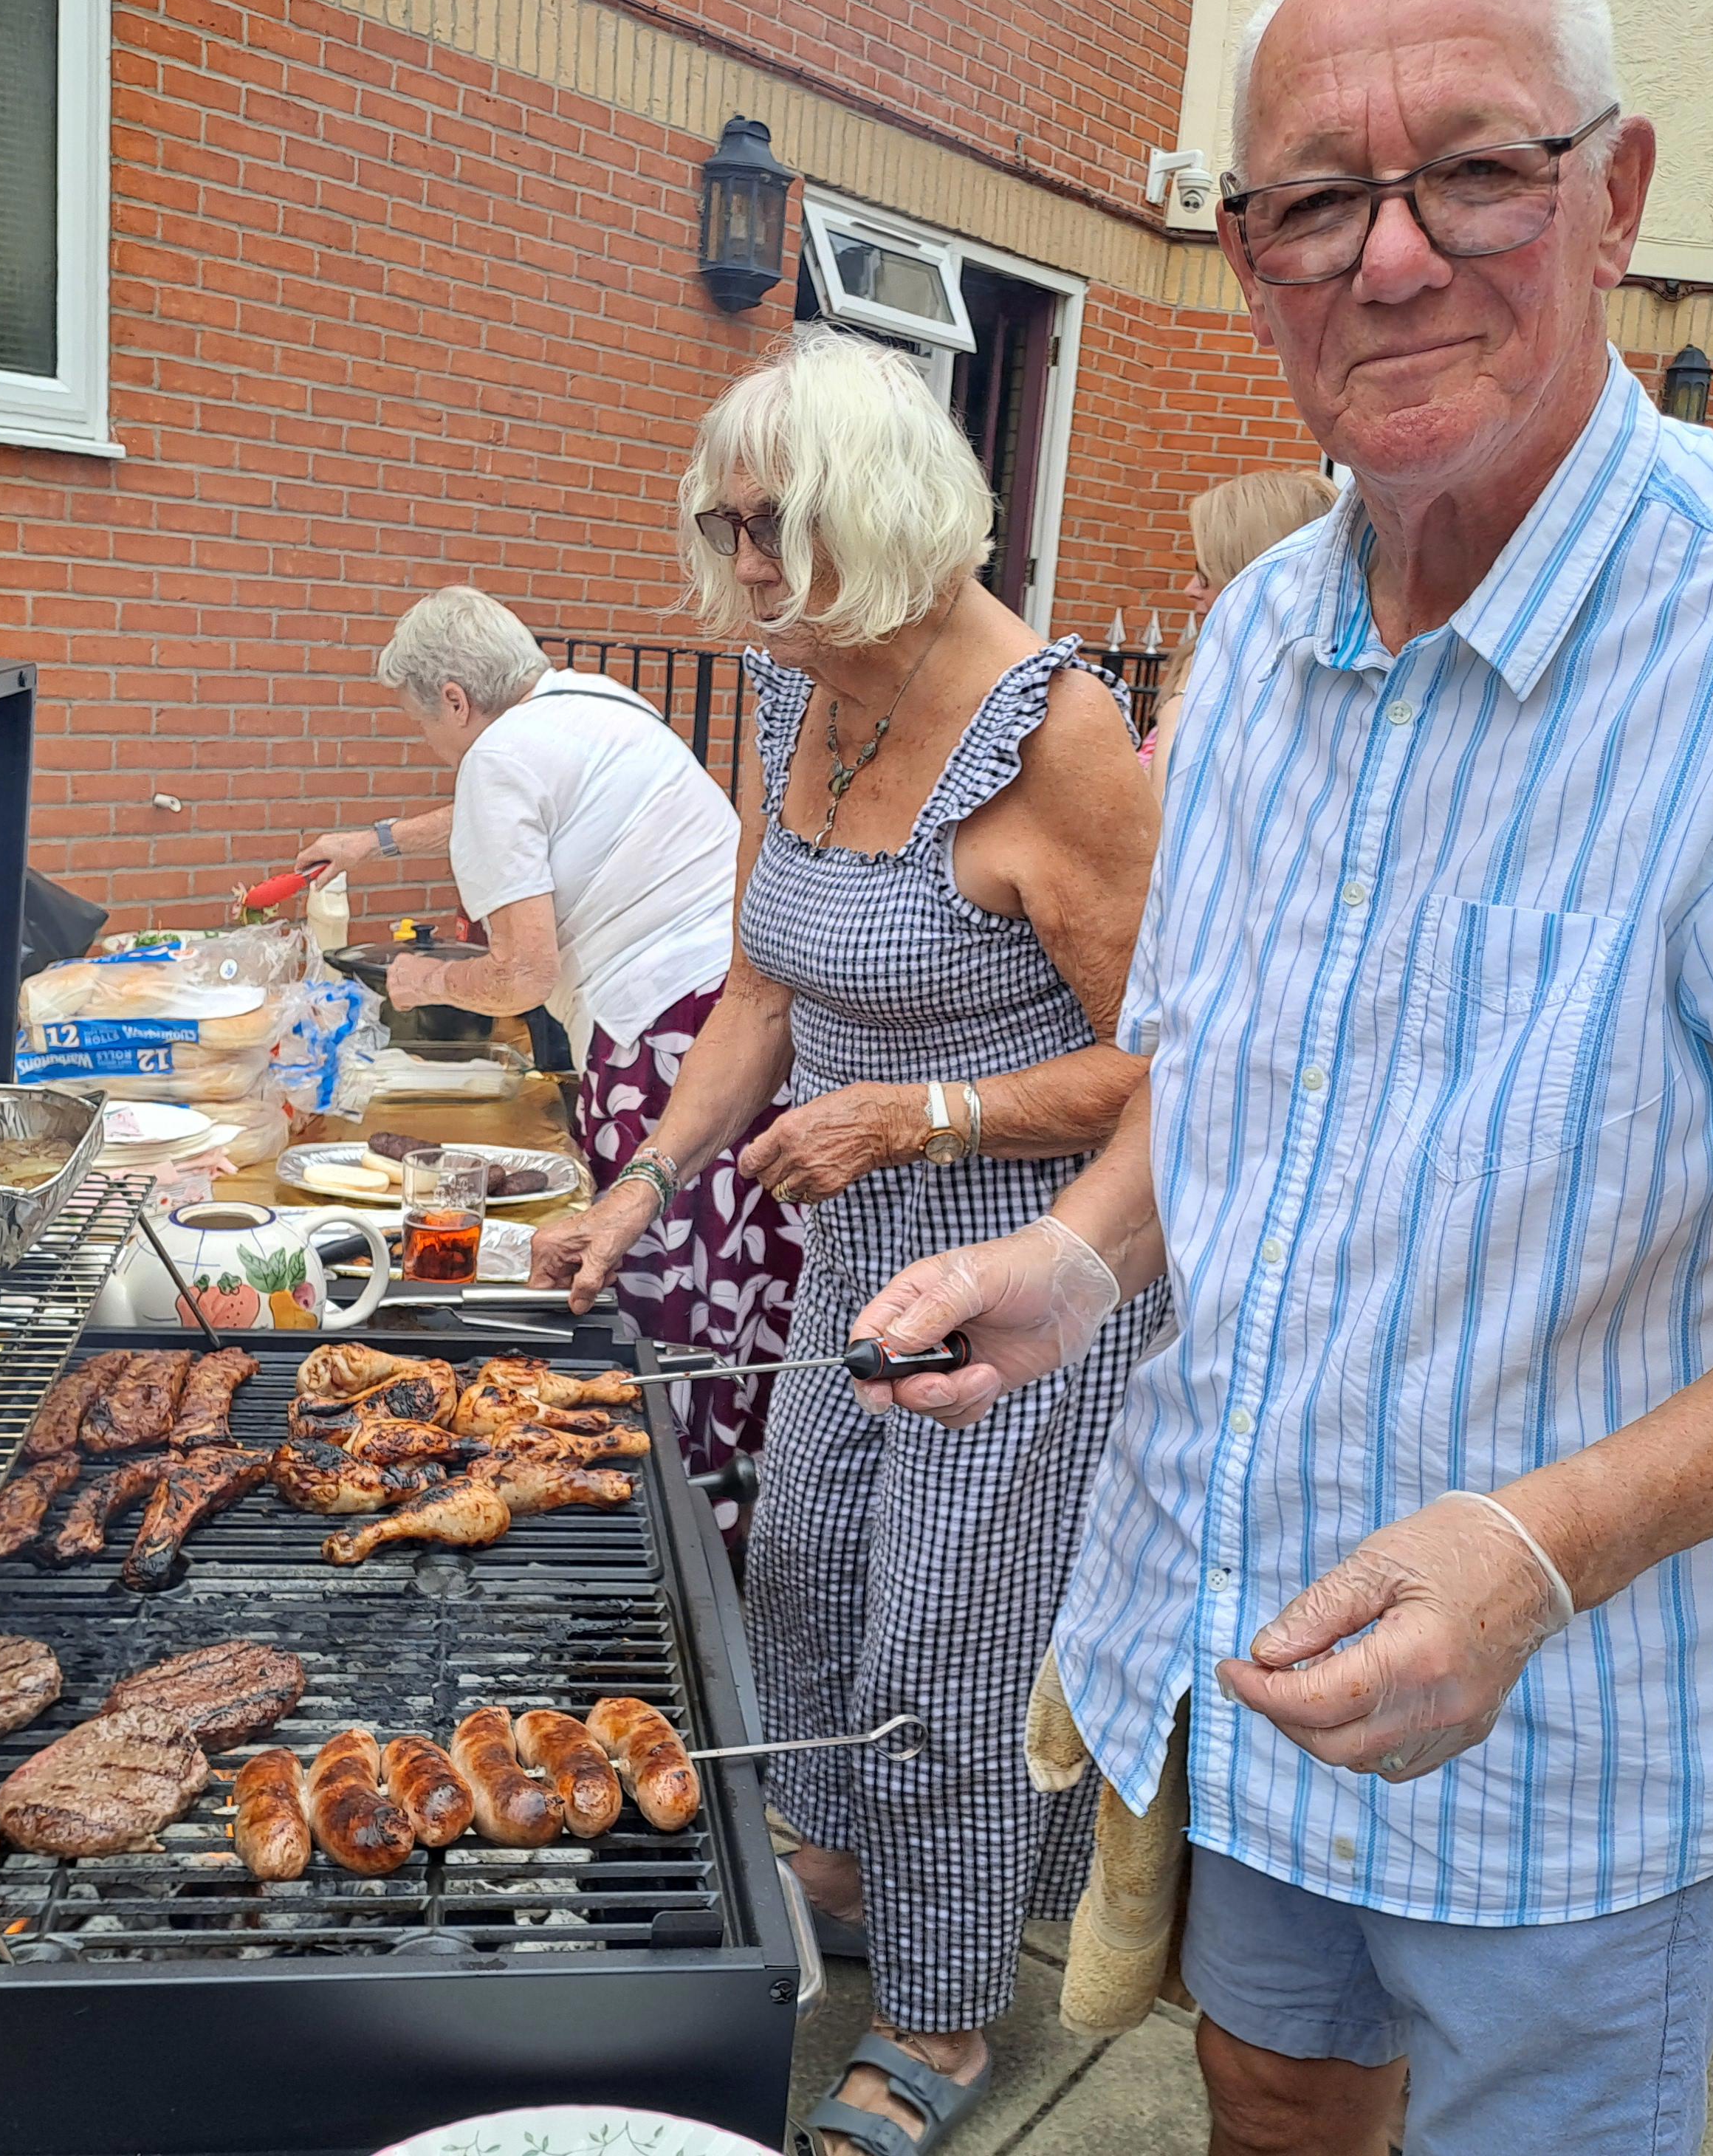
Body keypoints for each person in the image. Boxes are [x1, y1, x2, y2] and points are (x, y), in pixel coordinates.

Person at [845, 0, 1713, 2151]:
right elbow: (1231, 1067)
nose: (1389, 257)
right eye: (1314, 202)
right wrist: (1082, 1260)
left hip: (1584, 1728)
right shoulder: (1261, 637)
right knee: (1272, 2093)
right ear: (1243, 259)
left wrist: (1539, 1547)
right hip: (1235, 1645)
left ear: (1612, 198)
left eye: (1472, 177)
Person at [529, 328, 1167, 2156]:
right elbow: (764, 980)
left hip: (1034, 1266)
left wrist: (918, 1113)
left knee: (946, 1646)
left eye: (772, 529)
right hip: (846, 1256)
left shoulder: (1060, 736)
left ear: (884, 523)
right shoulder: (803, 691)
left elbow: (1170, 1062)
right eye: (723, 526)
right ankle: (838, 1876)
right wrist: (641, 1186)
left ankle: (950, 2017)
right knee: (798, 1572)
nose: (738, 573)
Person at [295, 586, 803, 1494]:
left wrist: (424, 982)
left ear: (454, 698)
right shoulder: (600, 701)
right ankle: (749, 1467)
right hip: (743, 1004)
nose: (433, 746)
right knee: (739, 1253)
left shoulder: (497, 757)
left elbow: (520, 977)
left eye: (422, 723)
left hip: (661, 1029)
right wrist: (376, 841)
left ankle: (671, 1482)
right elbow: (517, 813)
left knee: (661, 1263)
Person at [1143, 469, 1339, 783]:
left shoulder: (1287, 703)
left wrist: (1180, 700)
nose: (1191, 589)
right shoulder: (1225, 668)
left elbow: (1167, 812)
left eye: (1206, 572)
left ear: (1249, 572)